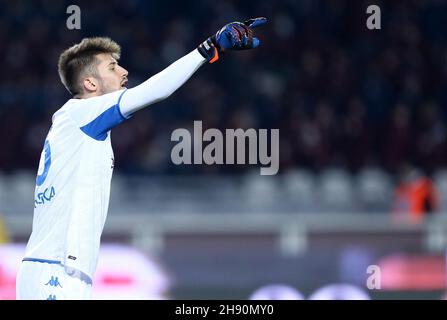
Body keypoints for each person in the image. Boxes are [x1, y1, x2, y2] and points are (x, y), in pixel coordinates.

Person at [15, 17, 268, 300]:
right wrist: (207, 48)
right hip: (56, 272)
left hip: (59, 269)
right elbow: (154, 91)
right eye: (112, 67)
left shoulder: (79, 124)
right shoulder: (81, 114)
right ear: (89, 83)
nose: (123, 71)